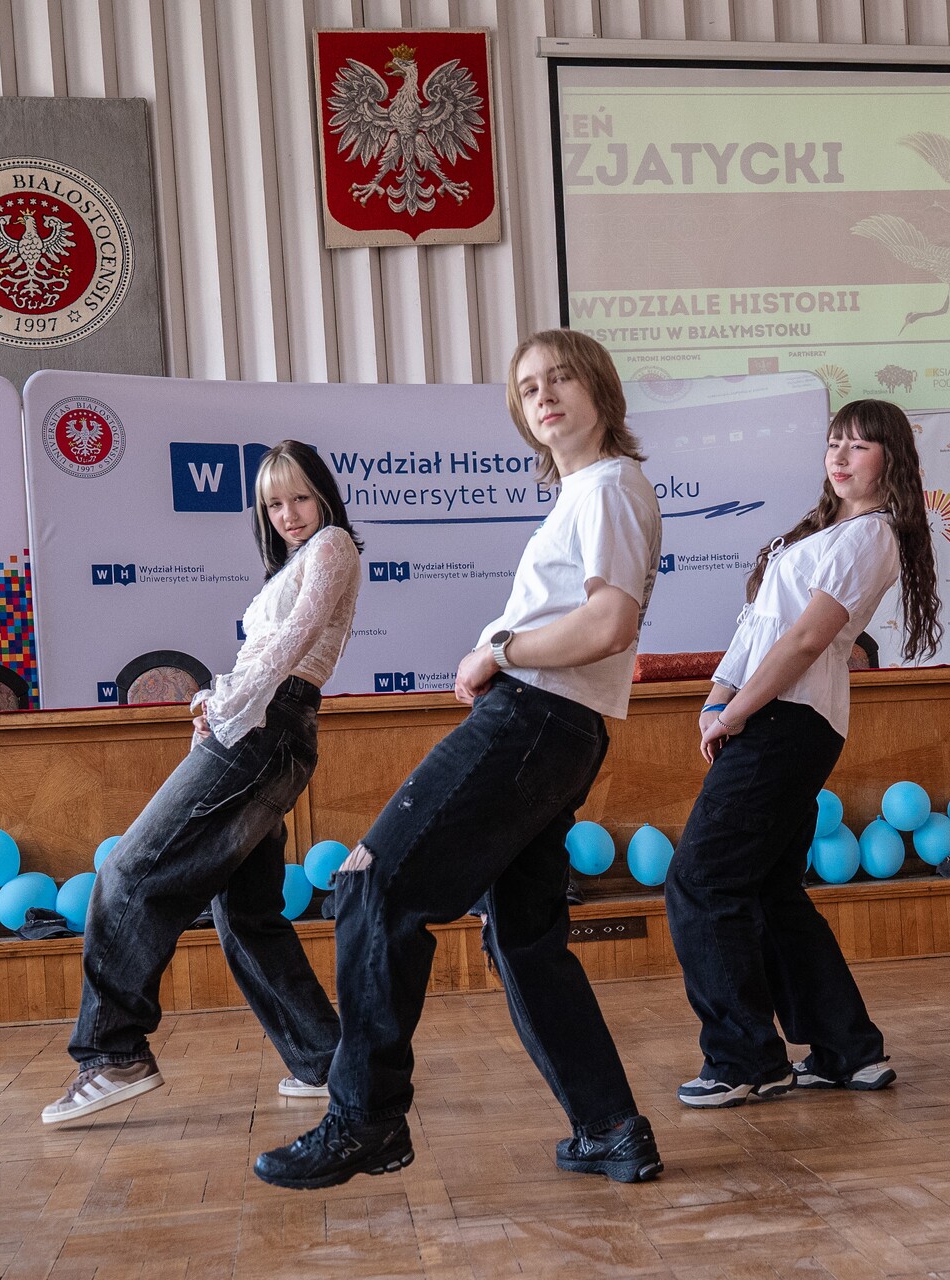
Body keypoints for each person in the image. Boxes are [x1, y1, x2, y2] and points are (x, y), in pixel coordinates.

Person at [254, 329, 665, 1190]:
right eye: (529, 387)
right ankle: (610, 1129)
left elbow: (609, 625)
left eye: (562, 378)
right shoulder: (588, 492)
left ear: (601, 390)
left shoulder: (610, 487)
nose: (544, 396)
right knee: (525, 938)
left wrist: (499, 650)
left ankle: (365, 1118)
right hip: (556, 727)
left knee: (371, 885)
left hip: (536, 720)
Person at [41, 441, 359, 1126]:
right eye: (274, 504)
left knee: (128, 869)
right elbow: (265, 654)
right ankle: (328, 1064)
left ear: (324, 496)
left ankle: (112, 1053)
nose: (288, 514)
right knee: (245, 912)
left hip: (263, 728)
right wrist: (221, 698)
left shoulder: (333, 545)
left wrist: (226, 703)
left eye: (300, 497)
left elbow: (292, 643)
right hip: (266, 728)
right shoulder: (296, 562)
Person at [662, 400, 941, 1106]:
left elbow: (807, 639)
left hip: (788, 719)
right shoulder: (823, 533)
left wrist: (738, 711)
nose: (840, 457)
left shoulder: (872, 534)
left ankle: (744, 1060)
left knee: (701, 880)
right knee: (769, 889)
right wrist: (718, 697)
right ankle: (848, 1050)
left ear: (891, 459)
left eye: (859, 446)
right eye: (834, 443)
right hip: (776, 716)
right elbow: (758, 627)